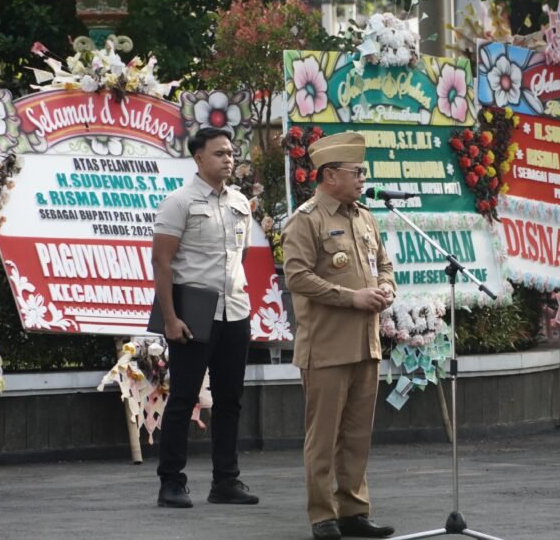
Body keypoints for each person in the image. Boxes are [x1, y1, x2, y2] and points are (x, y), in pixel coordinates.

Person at [281, 132, 397, 540]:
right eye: (356, 172)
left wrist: (385, 289)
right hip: (327, 348)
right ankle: (322, 516)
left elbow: (384, 264)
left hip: (366, 344)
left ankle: (353, 510)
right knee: (324, 438)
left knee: (357, 435)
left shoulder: (364, 216)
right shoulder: (306, 219)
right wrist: (353, 298)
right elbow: (297, 277)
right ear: (330, 175)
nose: (362, 178)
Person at [152, 126, 258, 508]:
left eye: (230, 153)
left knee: (230, 400)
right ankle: (171, 482)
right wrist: (170, 318)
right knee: (182, 399)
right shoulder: (178, 202)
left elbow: (239, 257)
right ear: (199, 158)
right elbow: (162, 263)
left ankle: (225, 481)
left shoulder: (241, 202)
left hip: (235, 312)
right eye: (219, 153)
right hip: (193, 314)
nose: (228, 159)